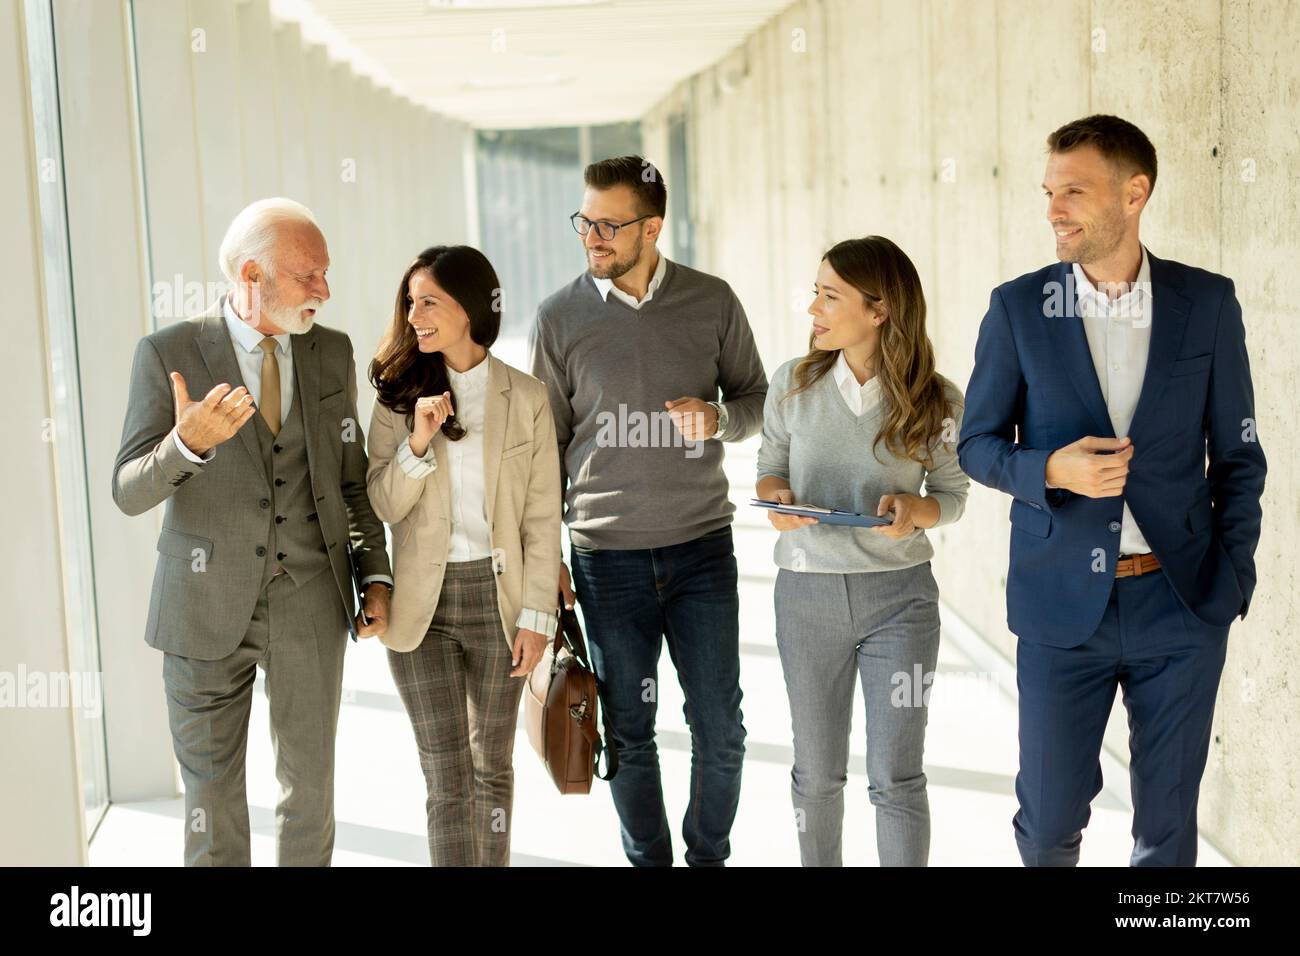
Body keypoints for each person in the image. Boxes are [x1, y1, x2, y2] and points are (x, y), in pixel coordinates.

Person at [958, 114, 1267, 866]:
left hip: (1182, 604)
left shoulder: (1208, 303)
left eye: (1074, 190)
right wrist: (1050, 471)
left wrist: (1231, 581)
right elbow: (976, 446)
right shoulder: (1019, 307)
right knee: (1051, 817)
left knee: (1166, 829)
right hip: (1061, 608)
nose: (1054, 209)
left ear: (1136, 192)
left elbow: (1239, 456)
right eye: (1048, 191)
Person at [111, 197, 392, 866]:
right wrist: (185, 446)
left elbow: (350, 480)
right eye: (308, 275)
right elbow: (128, 490)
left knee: (310, 792)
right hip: (202, 607)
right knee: (211, 803)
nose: (324, 290)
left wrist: (373, 573)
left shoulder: (333, 352)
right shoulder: (168, 352)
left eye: (326, 273)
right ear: (251, 276)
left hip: (310, 602)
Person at [530, 156, 768, 866]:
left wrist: (718, 419)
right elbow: (544, 453)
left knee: (721, 726)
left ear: (652, 227)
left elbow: (756, 401)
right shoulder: (560, 317)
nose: (592, 237)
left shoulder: (712, 300)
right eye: (585, 222)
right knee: (630, 729)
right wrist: (547, 559)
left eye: (608, 225)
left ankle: (707, 859)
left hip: (701, 550)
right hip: (606, 560)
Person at [756, 236, 968, 866]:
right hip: (806, 595)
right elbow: (768, 471)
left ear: (878, 311)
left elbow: (952, 495)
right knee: (816, 774)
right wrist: (780, 501)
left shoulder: (939, 400)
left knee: (897, 776)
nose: (813, 309)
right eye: (815, 292)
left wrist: (914, 512)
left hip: (900, 601)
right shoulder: (791, 383)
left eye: (829, 296)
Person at [366, 245, 561, 866]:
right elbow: (383, 505)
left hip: (499, 602)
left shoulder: (526, 396)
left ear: (471, 308)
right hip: (421, 607)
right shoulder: (397, 397)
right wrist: (418, 442)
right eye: (410, 301)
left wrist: (538, 618)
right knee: (447, 779)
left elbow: (540, 517)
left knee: (492, 770)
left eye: (430, 302)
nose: (414, 314)